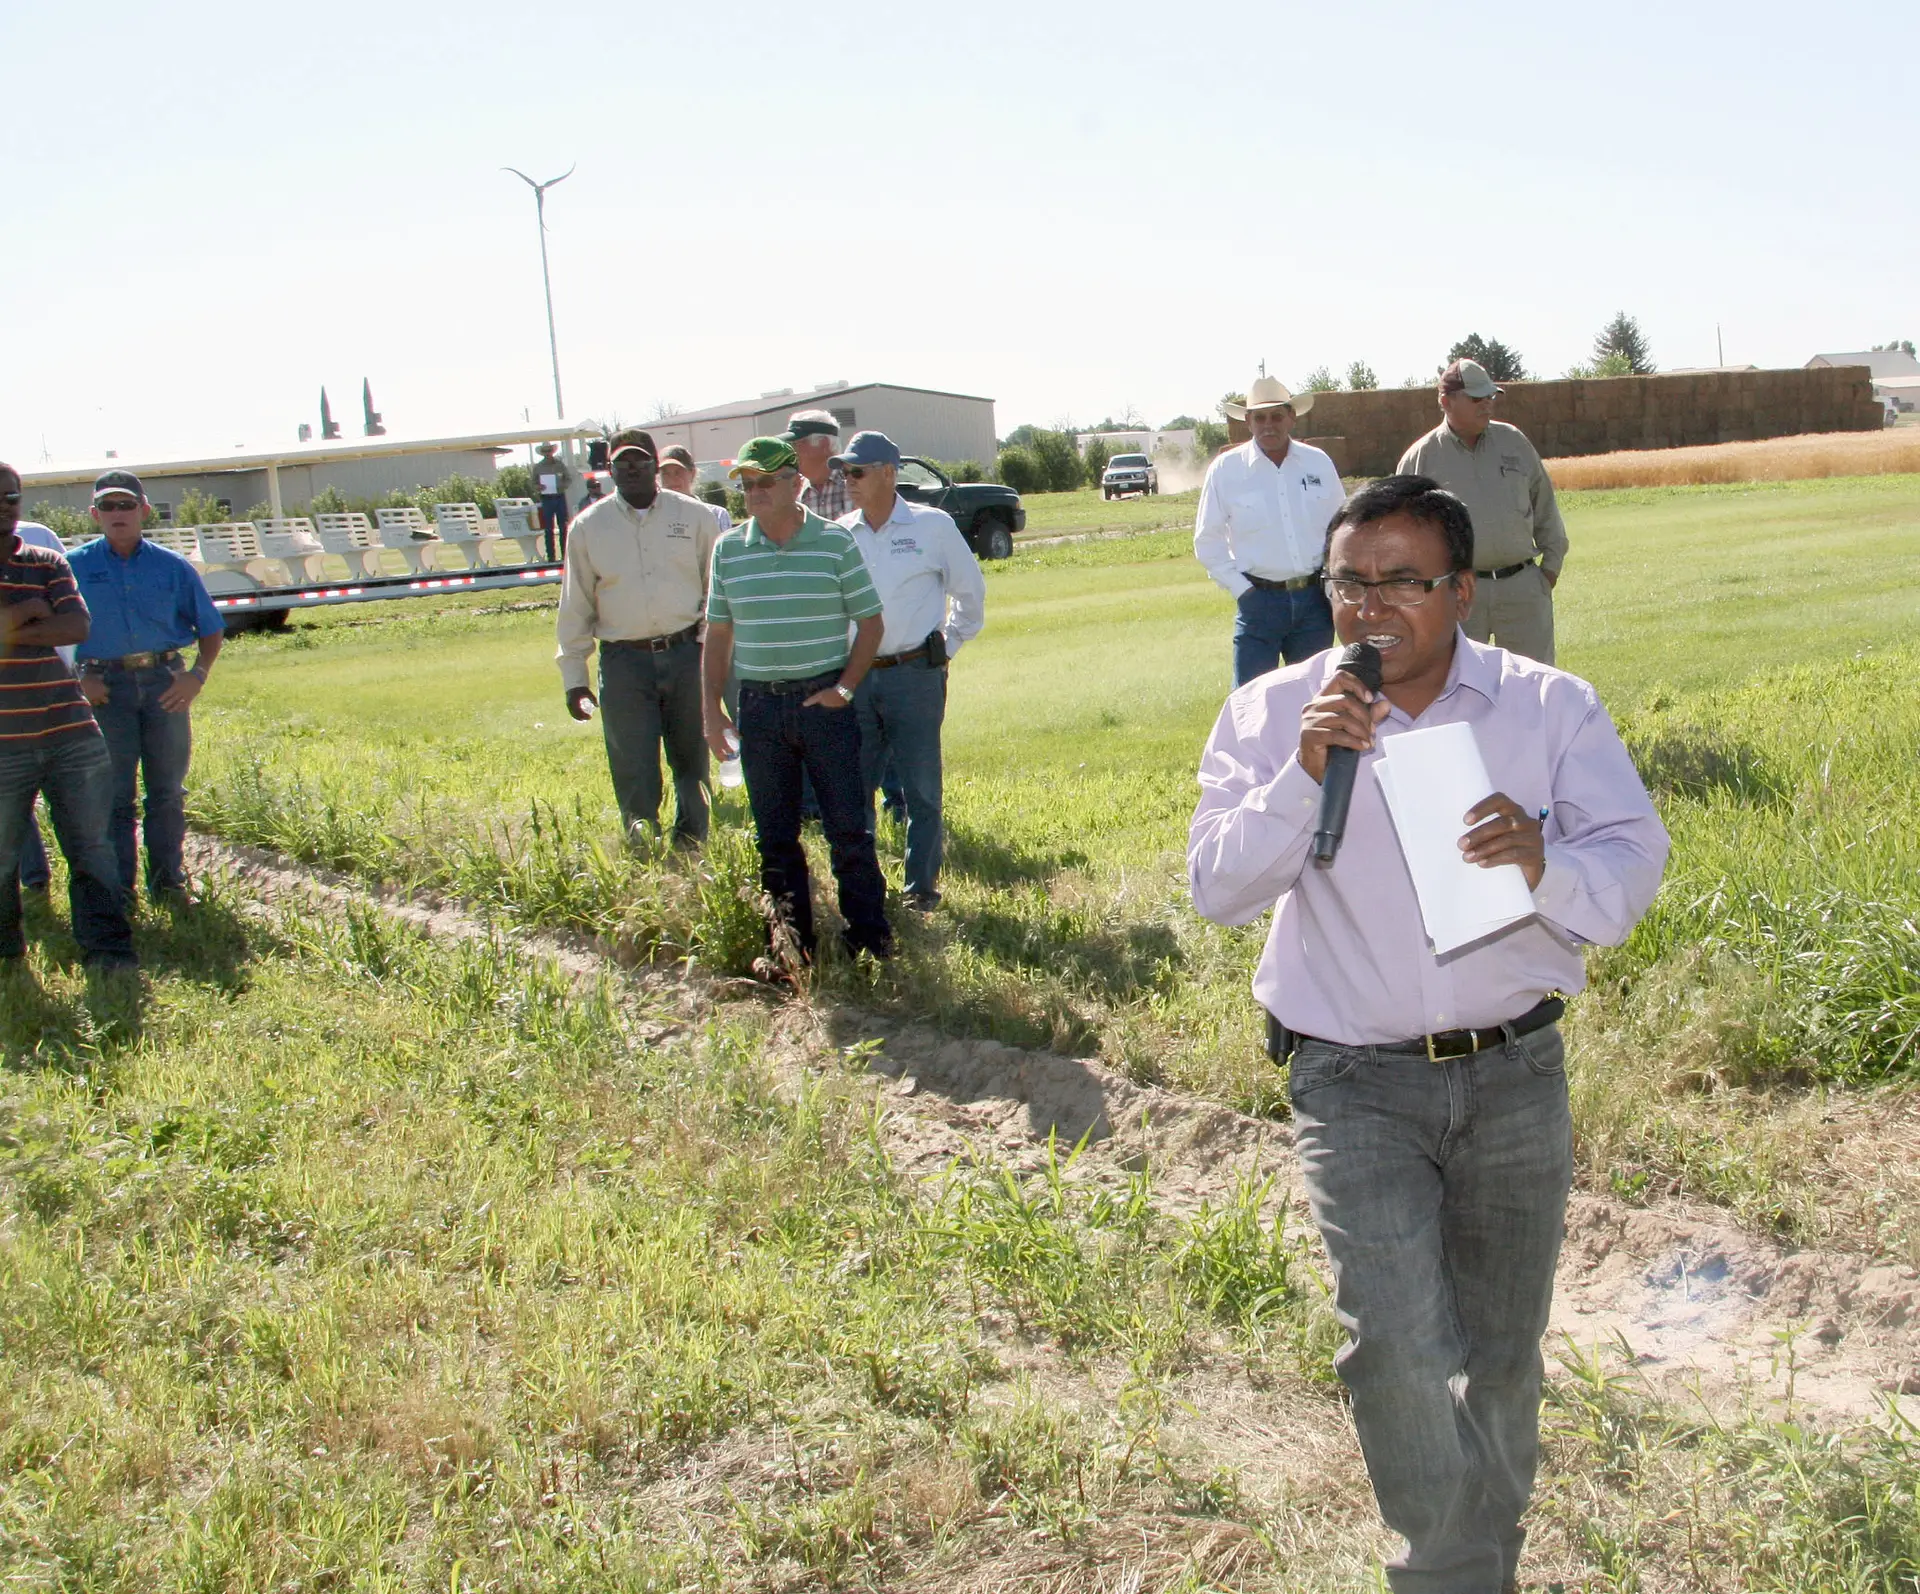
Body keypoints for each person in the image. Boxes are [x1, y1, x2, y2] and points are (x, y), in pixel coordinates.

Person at [1188, 475, 1668, 1594]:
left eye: (1401, 581)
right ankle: (1444, 1574)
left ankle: (1482, 1563)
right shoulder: (1273, 714)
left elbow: (1631, 865)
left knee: (1500, 1356)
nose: (1369, 607)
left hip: (1515, 1073)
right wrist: (1304, 775)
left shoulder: (1548, 708)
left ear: (1461, 591)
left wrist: (1545, 861)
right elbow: (1217, 888)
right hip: (1352, 1080)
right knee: (1397, 1349)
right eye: (1349, 582)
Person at [702, 436, 891, 968]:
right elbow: (718, 634)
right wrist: (711, 712)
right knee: (775, 837)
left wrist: (844, 690)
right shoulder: (728, 549)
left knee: (848, 830)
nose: (754, 492)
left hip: (824, 703)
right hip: (759, 708)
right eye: (747, 484)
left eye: (765, 482)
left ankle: (870, 942)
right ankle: (790, 950)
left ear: (795, 484)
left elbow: (871, 624)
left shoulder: (834, 542)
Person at [836, 430, 986, 911]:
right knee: (855, 787)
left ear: (888, 473)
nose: (848, 480)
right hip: (857, 678)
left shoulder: (932, 526)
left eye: (856, 471)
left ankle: (920, 888)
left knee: (920, 787)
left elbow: (970, 592)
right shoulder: (840, 533)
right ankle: (865, 889)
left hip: (915, 673)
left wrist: (948, 644)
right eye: (844, 472)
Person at [0, 461, 137, 970]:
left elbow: (77, 626)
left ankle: (109, 952)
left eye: (11, 497)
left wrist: (8, 628)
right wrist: (29, 611)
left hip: (70, 732)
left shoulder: (46, 560)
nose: (5, 507)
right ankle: (8, 957)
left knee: (92, 849)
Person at [557, 428, 723, 849]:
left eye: (641, 461)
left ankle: (692, 846)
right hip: (623, 662)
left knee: (692, 759)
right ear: (609, 469)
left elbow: (716, 589)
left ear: (656, 466)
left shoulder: (695, 517)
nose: (632, 469)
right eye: (622, 462)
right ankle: (643, 845)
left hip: (687, 654)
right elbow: (576, 604)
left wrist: (708, 648)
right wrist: (574, 678)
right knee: (633, 764)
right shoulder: (588, 527)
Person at [67, 469, 224, 909]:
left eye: (127, 504)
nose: (118, 513)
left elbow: (210, 627)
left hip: (164, 684)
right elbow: (53, 635)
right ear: (95, 514)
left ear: (144, 511)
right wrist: (79, 679)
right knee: (115, 796)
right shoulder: (72, 567)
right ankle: (121, 892)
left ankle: (168, 885)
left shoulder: (172, 567)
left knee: (167, 792)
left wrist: (197, 676)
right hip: (104, 688)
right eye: (108, 506)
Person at [1396, 359, 1568, 665]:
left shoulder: (1514, 441)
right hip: (1457, 593)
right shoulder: (1420, 458)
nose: (1487, 405)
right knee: (1458, 681)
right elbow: (1404, 537)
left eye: (1490, 397)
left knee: (1533, 683)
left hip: (1522, 589)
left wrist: (1547, 573)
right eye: (1477, 399)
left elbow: (1545, 508)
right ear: (1446, 402)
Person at [1195, 375, 1346, 686]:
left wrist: (1332, 587)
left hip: (1314, 601)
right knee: (1249, 700)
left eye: (1277, 416)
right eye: (1260, 418)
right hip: (1258, 601)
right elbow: (1208, 540)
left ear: (1292, 417)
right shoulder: (1226, 470)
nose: (1268, 425)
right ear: (1248, 422)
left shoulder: (1317, 463)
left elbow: (1342, 529)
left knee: (1314, 696)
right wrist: (1243, 591)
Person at [8, 516, 77, 893]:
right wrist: (30, 609)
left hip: (54, 687)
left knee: (67, 786)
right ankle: (34, 878)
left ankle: (92, 882)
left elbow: (71, 615)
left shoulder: (39, 537)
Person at [787, 409, 853, 522]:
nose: (791, 451)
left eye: (797, 444)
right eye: (790, 445)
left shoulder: (855, 483)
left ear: (823, 444)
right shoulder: (794, 491)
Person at [657, 445, 732, 532]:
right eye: (665, 473)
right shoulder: (654, 517)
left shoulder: (716, 515)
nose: (672, 479)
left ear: (692, 473)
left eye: (678, 472)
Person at [532, 442, 576, 561]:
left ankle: (565, 555)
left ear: (552, 452)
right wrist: (538, 487)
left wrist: (562, 486)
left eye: (549, 451)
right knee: (548, 529)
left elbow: (568, 479)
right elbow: (533, 483)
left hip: (559, 496)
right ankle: (551, 556)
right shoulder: (538, 467)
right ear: (543, 453)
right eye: (545, 451)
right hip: (546, 498)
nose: (547, 454)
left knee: (563, 527)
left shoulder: (560, 464)